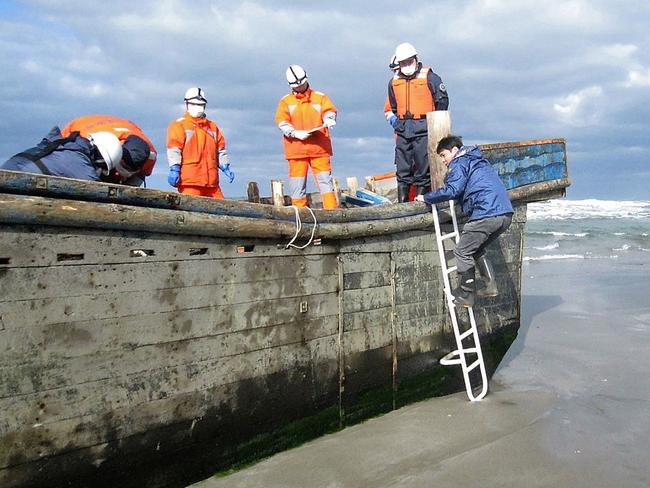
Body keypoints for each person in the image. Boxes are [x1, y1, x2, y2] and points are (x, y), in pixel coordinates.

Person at [415, 135, 514, 307]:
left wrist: (427, 197)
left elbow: (453, 189)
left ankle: (467, 295)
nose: (444, 161)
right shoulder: (479, 161)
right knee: (476, 249)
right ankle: (490, 287)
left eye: (444, 155)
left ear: (455, 150)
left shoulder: (460, 162)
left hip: (487, 213)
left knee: (462, 251)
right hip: (505, 214)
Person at [384, 42, 449, 202]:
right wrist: (397, 122)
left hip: (424, 127)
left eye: (409, 61)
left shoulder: (430, 77)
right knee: (402, 166)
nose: (406, 65)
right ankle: (402, 203)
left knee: (423, 164)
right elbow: (392, 106)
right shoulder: (394, 82)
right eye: (403, 62)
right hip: (403, 128)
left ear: (415, 58)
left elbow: (442, 101)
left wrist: (433, 124)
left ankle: (421, 198)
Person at [275, 65, 338, 209]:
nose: (299, 87)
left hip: (319, 149)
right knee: (297, 187)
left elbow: (329, 110)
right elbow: (282, 122)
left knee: (326, 185)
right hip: (296, 150)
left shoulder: (320, 97)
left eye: (301, 84)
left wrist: (329, 118)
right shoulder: (285, 102)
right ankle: (300, 217)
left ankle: (331, 214)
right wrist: (295, 133)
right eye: (296, 86)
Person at [166, 87, 234, 198]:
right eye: (194, 104)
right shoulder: (179, 125)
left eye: (201, 105)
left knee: (223, 211)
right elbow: (174, 149)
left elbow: (220, 150)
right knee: (192, 213)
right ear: (186, 104)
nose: (198, 108)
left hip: (212, 184)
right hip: (190, 182)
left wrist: (225, 165)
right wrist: (174, 168)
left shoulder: (212, 127)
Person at [61, 115, 157, 187]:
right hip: (78, 130)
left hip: (118, 127)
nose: (124, 177)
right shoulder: (92, 143)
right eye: (122, 169)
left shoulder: (150, 156)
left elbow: (140, 177)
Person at [1, 126, 122, 182]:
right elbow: (97, 194)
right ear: (100, 160)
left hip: (7, 173)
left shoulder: (65, 145)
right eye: (103, 168)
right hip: (16, 185)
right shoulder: (81, 166)